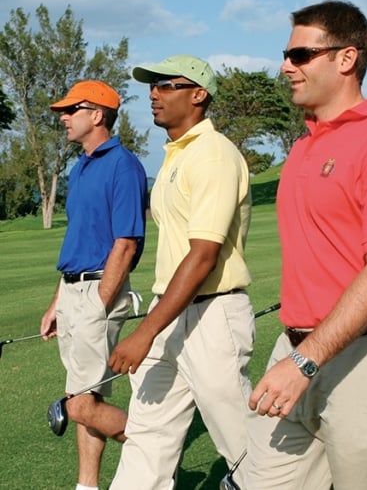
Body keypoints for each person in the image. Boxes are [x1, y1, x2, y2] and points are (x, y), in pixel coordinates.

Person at [246, 0, 367, 490]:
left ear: (346, 59)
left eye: (301, 54)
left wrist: (306, 360)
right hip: (294, 350)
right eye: (286, 54)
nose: (286, 66)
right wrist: (296, 355)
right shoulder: (304, 145)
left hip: (364, 358)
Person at [108, 55, 255, 490]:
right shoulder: (175, 155)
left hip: (211, 315)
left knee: (243, 444)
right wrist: (157, 324)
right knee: (146, 436)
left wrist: (145, 331)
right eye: (152, 86)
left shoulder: (212, 155)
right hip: (171, 310)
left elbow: (204, 255)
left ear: (198, 94)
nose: (154, 93)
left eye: (166, 85)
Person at [40, 80, 148, 490]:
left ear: (97, 115)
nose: (64, 118)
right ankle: (86, 486)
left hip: (99, 292)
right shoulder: (80, 166)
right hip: (73, 291)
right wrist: (57, 303)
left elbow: (125, 243)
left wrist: (99, 304)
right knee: (87, 399)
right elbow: (78, 242)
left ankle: (156, 452)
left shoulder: (123, 165)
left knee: (80, 403)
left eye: (71, 110)